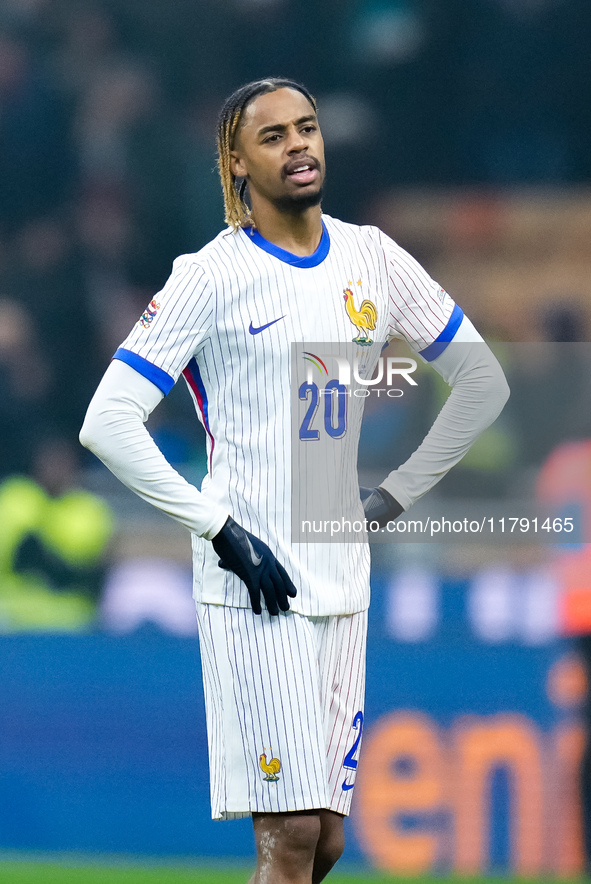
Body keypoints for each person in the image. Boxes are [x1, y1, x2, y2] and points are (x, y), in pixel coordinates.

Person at [80, 78, 509, 883]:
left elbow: (481, 382)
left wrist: (390, 499)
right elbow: (106, 421)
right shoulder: (209, 275)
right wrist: (218, 530)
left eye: (306, 128)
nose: (299, 145)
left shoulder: (371, 257)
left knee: (329, 843)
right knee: (291, 838)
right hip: (253, 581)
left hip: (341, 574)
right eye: (272, 136)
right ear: (235, 162)